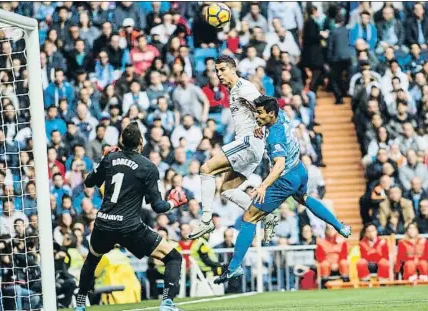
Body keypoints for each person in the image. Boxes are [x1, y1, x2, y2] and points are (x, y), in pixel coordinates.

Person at [214, 96, 351, 284]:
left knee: (249, 217)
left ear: (271, 113)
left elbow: (279, 165)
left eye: (260, 113)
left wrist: (263, 186)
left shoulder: (275, 136)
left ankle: (234, 267)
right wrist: (257, 122)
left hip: (285, 177)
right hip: (300, 170)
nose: (257, 116)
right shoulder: (283, 114)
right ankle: (340, 226)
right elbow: (266, 116)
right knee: (303, 198)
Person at [74, 123, 188, 311]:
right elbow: (158, 206)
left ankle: (79, 306)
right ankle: (167, 302)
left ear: (121, 141)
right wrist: (174, 203)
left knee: (92, 260)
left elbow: (88, 182)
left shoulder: (110, 158)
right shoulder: (148, 167)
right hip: (130, 227)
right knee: (173, 257)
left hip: (104, 224)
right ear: (141, 142)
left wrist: (103, 161)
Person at [189, 55, 277, 241]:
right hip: (251, 147)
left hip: (248, 142)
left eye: (222, 70)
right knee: (227, 190)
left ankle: (206, 220)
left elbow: (264, 105)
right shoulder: (234, 90)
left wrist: (259, 126)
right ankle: (268, 215)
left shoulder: (244, 88)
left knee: (206, 169)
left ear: (233, 69)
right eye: (217, 71)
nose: (219, 74)